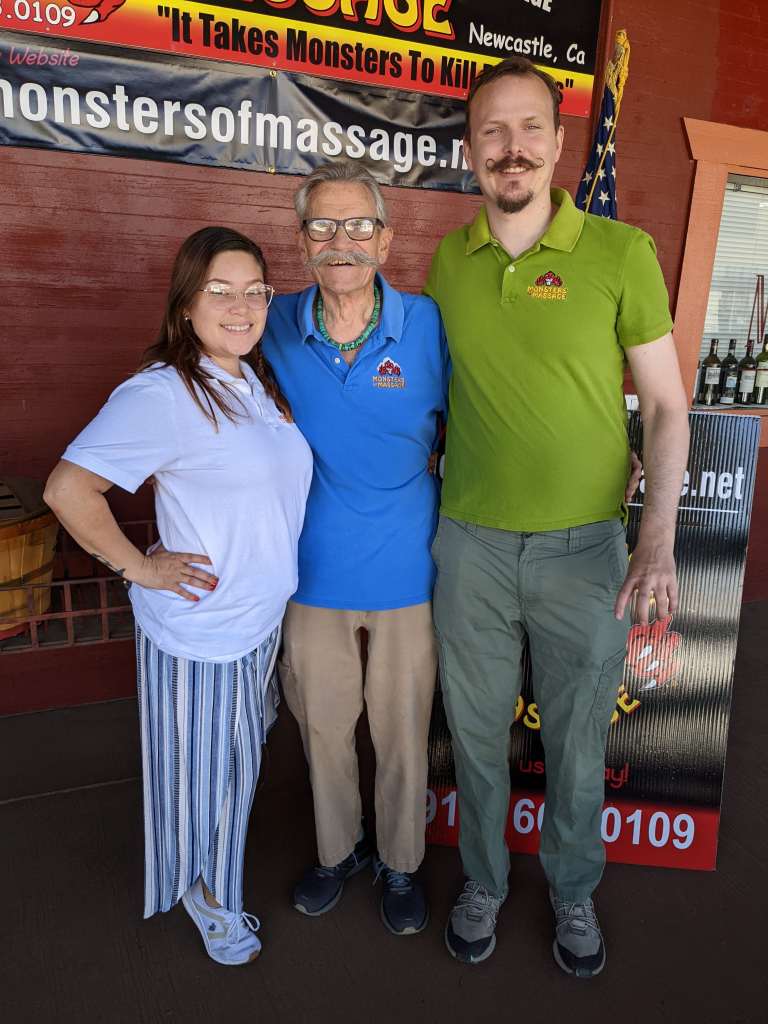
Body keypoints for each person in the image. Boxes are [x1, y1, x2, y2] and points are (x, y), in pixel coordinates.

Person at [424, 57, 690, 975]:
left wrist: (652, 540)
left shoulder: (622, 254)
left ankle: (574, 894)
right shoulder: (448, 263)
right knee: (477, 734)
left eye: (530, 127)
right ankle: (486, 882)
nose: (512, 148)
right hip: (471, 547)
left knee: (578, 742)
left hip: (587, 551)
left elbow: (664, 407)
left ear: (560, 141)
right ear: (471, 148)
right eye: (492, 130)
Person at [43, 227, 313, 966]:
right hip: (202, 635)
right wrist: (138, 567)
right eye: (219, 292)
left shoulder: (252, 381)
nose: (241, 307)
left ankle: (208, 878)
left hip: (258, 622)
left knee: (235, 766)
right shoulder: (163, 392)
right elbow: (68, 490)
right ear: (185, 303)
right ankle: (212, 898)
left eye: (255, 292)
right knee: (206, 781)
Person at [261, 162, 449, 936]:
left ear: (387, 237)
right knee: (325, 730)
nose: (341, 243)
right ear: (301, 240)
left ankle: (401, 863)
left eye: (358, 226)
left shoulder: (431, 324)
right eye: (322, 227)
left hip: (410, 569)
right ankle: (338, 851)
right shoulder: (268, 322)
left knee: (401, 733)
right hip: (311, 575)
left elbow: (496, 411)